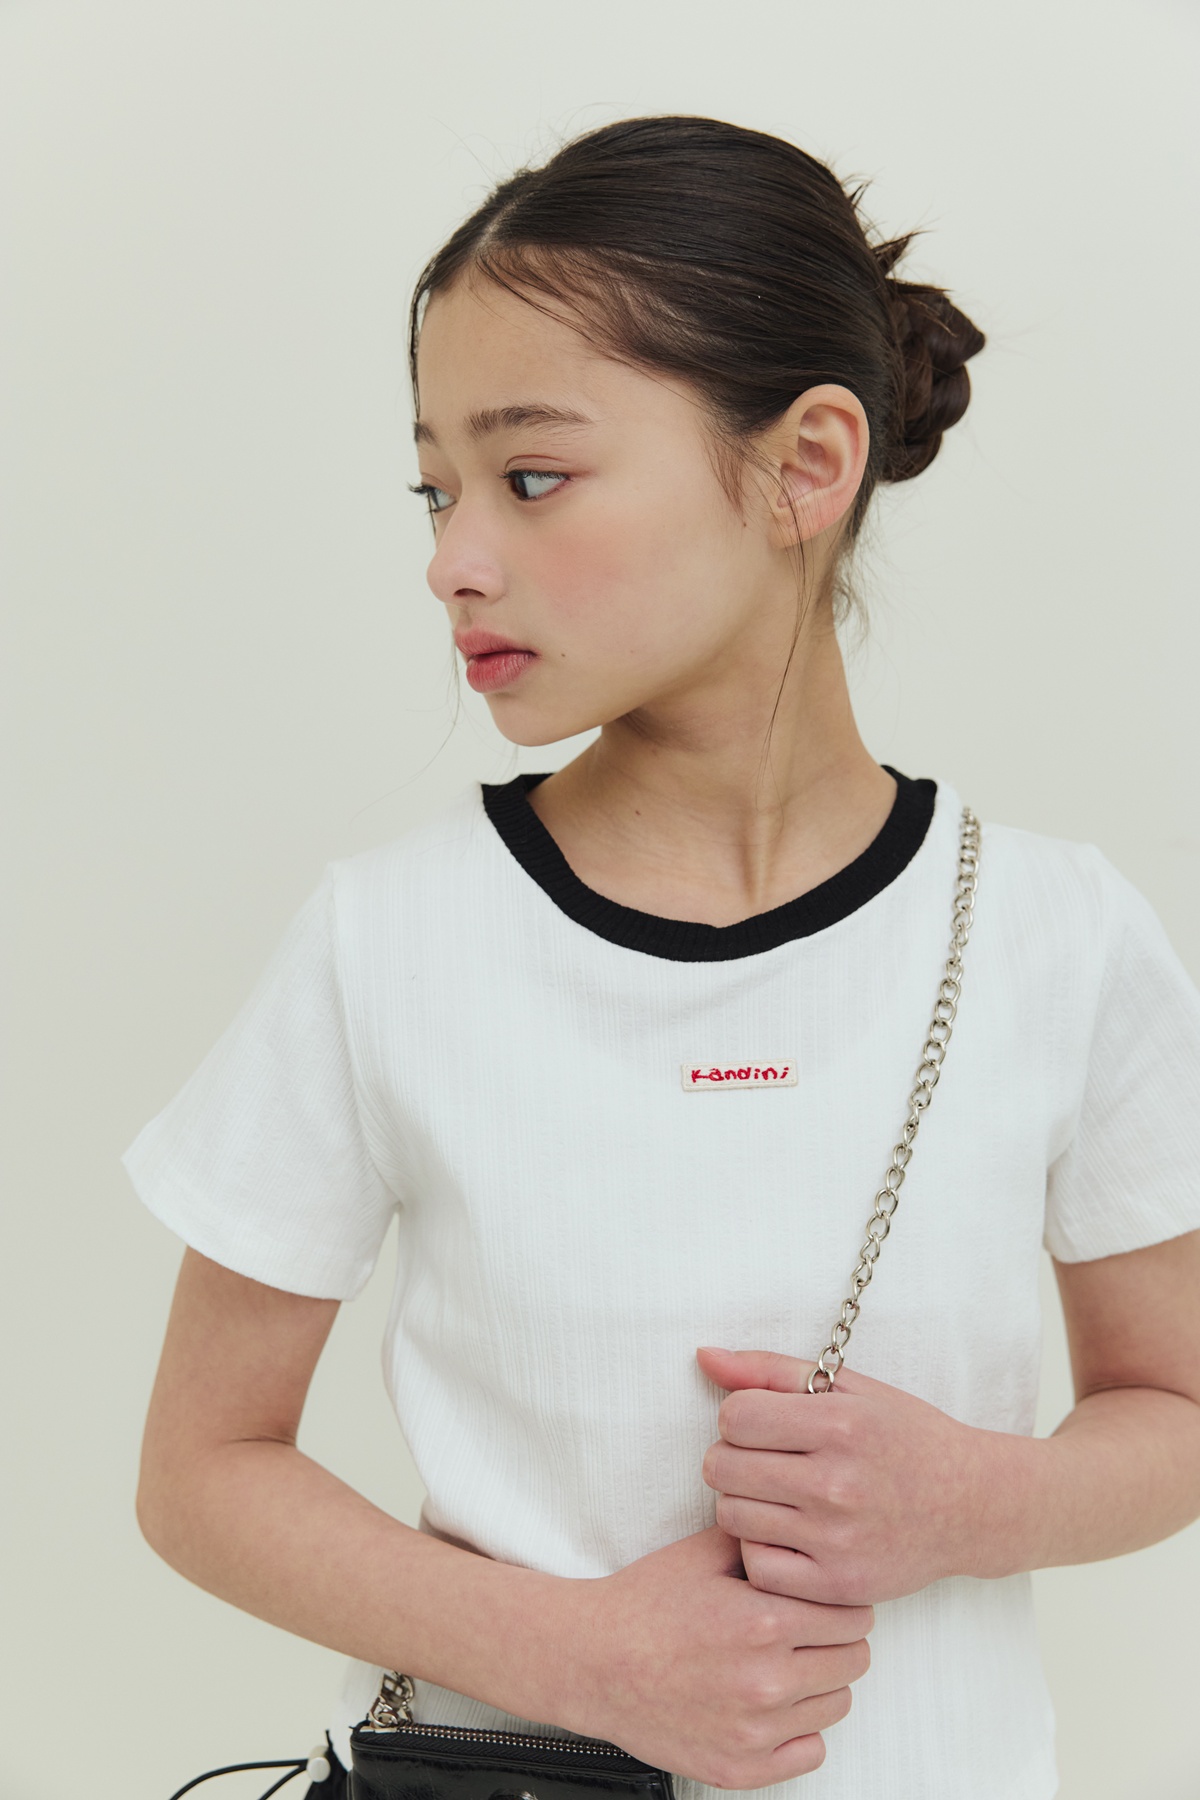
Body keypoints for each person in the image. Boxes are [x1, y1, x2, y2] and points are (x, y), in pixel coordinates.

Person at [125, 114, 1200, 1800]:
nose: (451, 558)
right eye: (436, 488)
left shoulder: (1055, 933)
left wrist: (976, 1501)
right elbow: (200, 1470)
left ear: (806, 465)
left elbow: (1174, 1407)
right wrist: (580, 1657)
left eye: (531, 477)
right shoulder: (389, 937)